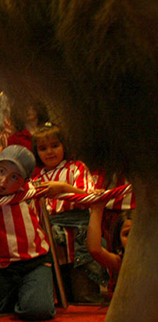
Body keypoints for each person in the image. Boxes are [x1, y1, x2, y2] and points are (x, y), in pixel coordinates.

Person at [0, 145, 55, 321]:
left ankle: (29, 297)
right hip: (1, 265)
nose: (3, 181)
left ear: (24, 181)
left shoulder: (30, 191)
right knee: (1, 317)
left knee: (39, 310)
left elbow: (56, 191)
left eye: (14, 177)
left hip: (35, 261)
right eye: (1, 171)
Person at [32, 123, 108, 303]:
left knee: (85, 295)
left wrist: (64, 188)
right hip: (53, 241)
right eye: (43, 148)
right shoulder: (36, 180)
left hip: (78, 237)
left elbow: (90, 199)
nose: (49, 152)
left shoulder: (76, 168)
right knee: (63, 297)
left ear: (65, 146)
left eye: (55, 146)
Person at [87, 203, 133, 297]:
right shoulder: (120, 262)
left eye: (137, 232)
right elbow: (95, 250)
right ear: (119, 240)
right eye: (127, 234)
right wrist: (96, 210)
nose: (133, 238)